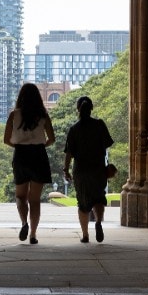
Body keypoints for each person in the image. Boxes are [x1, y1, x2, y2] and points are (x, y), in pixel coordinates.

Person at [3, 82, 55, 244]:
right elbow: (52, 139)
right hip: (38, 155)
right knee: (35, 199)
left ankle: (24, 223)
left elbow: (6, 139)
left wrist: (18, 146)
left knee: (20, 195)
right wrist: (40, 146)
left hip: (21, 155)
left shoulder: (14, 114)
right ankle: (33, 234)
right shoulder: (43, 114)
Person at [62, 95, 114, 243]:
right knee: (98, 197)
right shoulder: (99, 125)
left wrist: (66, 170)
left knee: (83, 203)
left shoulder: (74, 129)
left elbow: (69, 153)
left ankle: (85, 235)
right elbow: (107, 143)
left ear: (78, 109)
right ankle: (98, 222)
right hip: (97, 167)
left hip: (81, 170)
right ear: (91, 108)